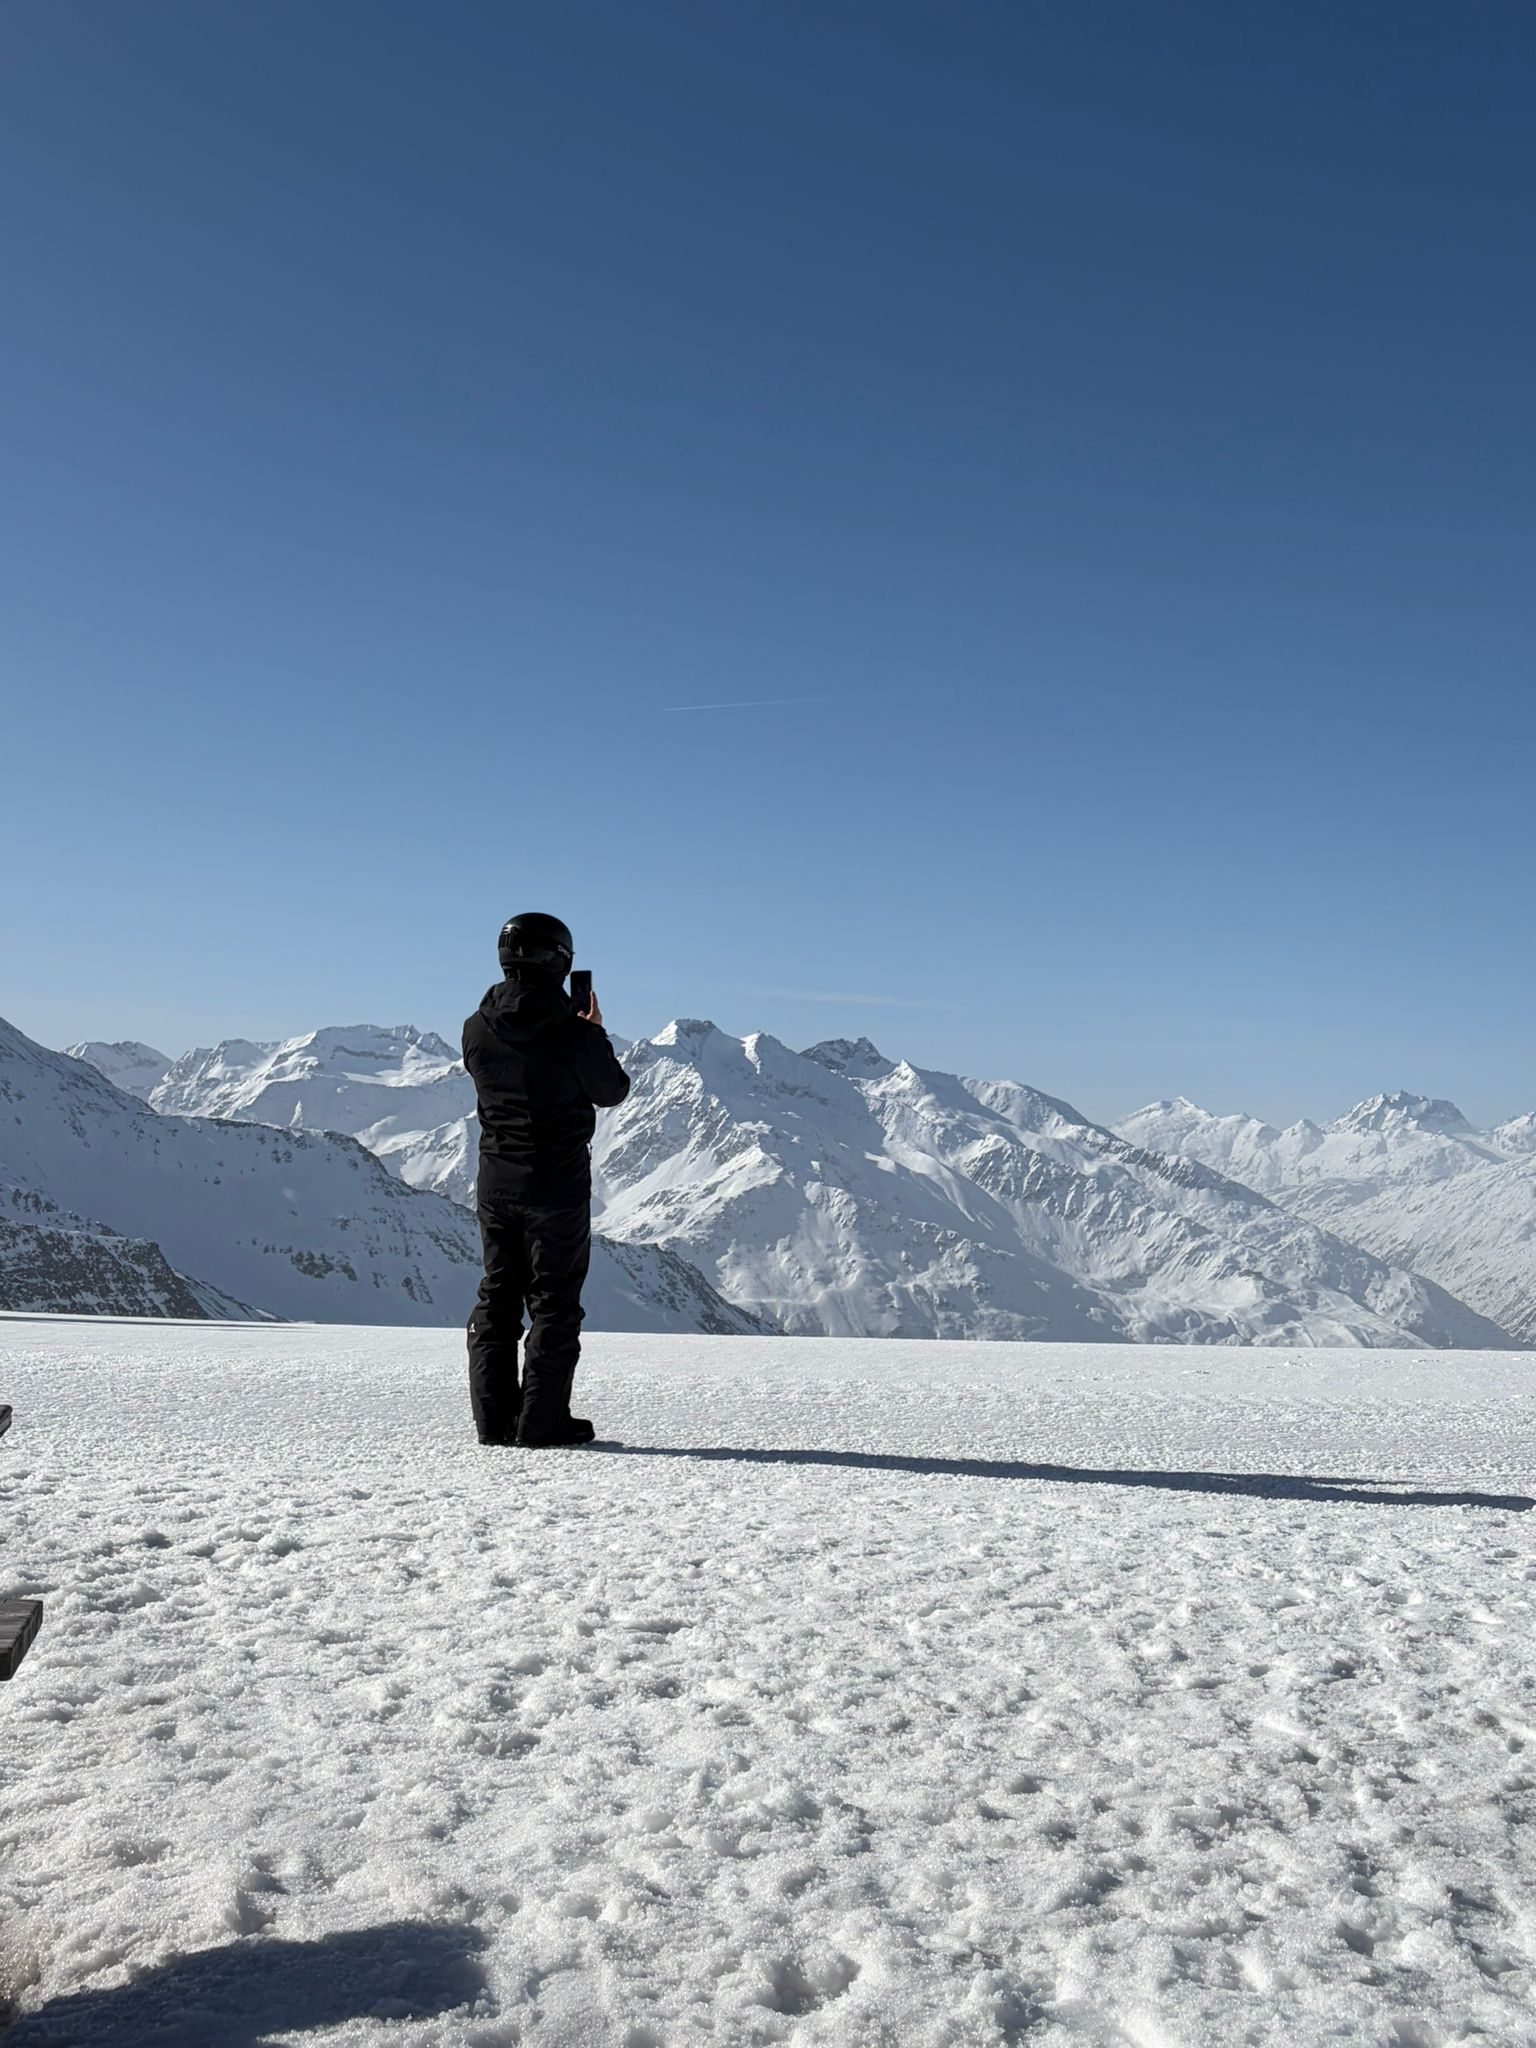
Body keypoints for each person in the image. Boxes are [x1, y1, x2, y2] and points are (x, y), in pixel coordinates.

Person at [462, 912, 631, 1447]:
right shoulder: (574, 1034)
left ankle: (494, 1422)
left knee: (498, 1295)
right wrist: (593, 1033)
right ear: (560, 961)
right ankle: (542, 1422)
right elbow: (611, 1090)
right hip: (556, 1186)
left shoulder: (476, 1027)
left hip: (495, 1183)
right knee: (554, 1302)